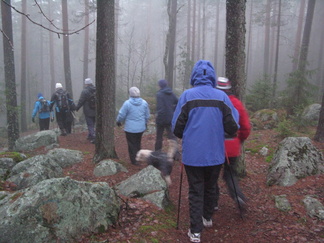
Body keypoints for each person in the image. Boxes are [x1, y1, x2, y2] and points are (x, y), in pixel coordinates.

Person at [172, 60, 239, 243]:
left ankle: (195, 232)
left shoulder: (187, 96)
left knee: (195, 190)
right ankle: (207, 217)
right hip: (215, 153)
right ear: (211, 76)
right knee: (210, 186)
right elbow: (233, 127)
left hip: (193, 154)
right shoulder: (222, 97)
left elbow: (177, 129)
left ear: (194, 76)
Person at [216, 77, 251, 209]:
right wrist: (240, 139)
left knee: (212, 175)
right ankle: (238, 196)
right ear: (229, 88)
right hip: (232, 146)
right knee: (230, 174)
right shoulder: (236, 103)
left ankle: (212, 203)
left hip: (216, 146)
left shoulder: (215, 102)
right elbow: (245, 126)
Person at [116, 87, 150, 165]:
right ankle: (139, 158)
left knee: (131, 144)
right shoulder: (144, 103)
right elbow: (147, 115)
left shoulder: (127, 103)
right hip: (141, 127)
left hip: (130, 128)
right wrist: (145, 122)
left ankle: (134, 160)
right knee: (138, 143)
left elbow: (121, 114)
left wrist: (118, 121)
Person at [155, 79, 178, 151]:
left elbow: (160, 108)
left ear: (160, 85)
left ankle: (157, 152)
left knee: (159, 137)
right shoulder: (171, 93)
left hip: (161, 118)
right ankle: (175, 153)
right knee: (172, 137)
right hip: (170, 117)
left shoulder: (159, 94)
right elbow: (178, 102)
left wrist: (158, 117)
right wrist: (172, 109)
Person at [75, 78, 96, 143]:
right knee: (93, 123)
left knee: (90, 125)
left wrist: (77, 108)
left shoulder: (85, 91)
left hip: (88, 110)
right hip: (96, 109)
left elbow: (81, 100)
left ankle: (93, 136)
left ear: (86, 84)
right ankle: (90, 135)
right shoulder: (96, 90)